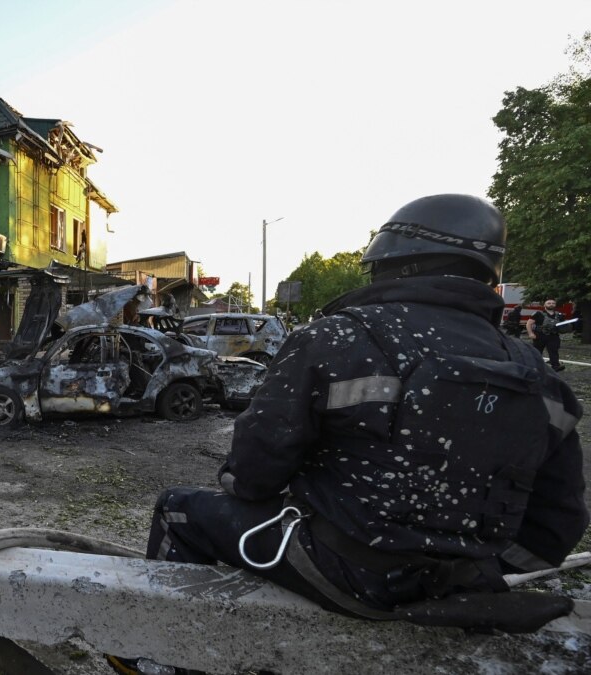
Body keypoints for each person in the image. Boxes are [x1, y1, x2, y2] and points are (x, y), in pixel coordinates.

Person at [109, 195, 588, 674]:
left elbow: (256, 469)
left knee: (178, 509)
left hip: (344, 573)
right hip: (464, 586)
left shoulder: (339, 337)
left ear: (390, 261)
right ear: (487, 273)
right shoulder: (536, 374)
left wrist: (251, 493)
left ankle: (156, 660)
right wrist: (473, 570)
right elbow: (558, 523)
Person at [526, 299, 565, 371]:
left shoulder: (559, 315)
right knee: (537, 351)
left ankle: (555, 366)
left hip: (553, 336)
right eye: (549, 303)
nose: (551, 304)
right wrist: (531, 333)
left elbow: (562, 326)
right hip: (540, 335)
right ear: (544, 305)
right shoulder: (538, 314)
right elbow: (529, 323)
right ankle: (534, 366)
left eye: (553, 303)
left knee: (554, 351)